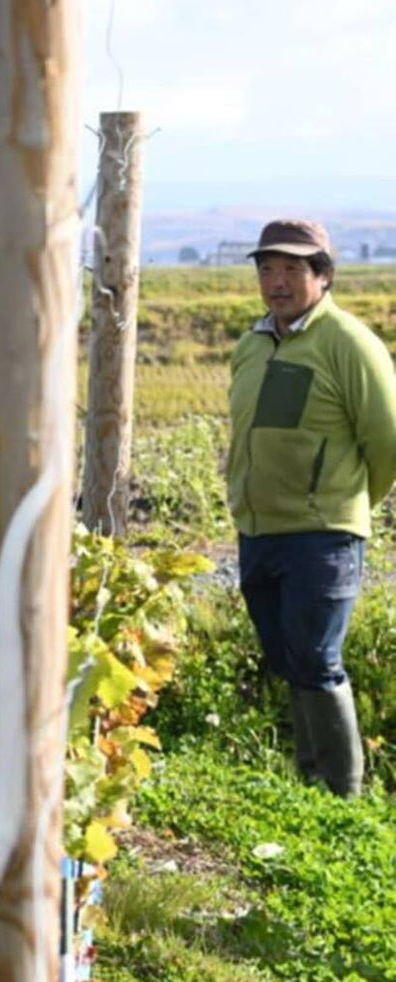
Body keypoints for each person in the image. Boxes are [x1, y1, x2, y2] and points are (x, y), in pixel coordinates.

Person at [228, 218, 396, 796]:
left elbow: (387, 441)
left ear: (323, 276)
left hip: (322, 534)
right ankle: (310, 783)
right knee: (288, 657)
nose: (277, 281)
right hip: (258, 529)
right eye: (267, 268)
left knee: (319, 659)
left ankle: (341, 795)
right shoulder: (252, 344)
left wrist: (345, 507)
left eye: (293, 269)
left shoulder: (348, 342)